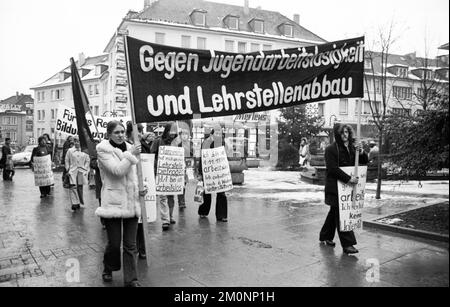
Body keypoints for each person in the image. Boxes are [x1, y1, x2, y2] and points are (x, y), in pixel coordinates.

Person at [95, 120, 144, 287]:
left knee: (130, 245)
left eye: (122, 131)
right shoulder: (103, 150)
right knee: (114, 244)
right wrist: (131, 154)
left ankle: (131, 279)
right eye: (116, 132)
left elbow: (135, 174)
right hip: (113, 202)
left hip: (131, 201)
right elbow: (117, 171)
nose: (121, 135)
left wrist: (141, 189)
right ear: (109, 134)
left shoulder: (131, 146)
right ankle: (108, 267)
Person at [319, 123, 368, 254]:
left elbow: (364, 161)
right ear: (337, 134)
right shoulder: (331, 149)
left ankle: (325, 236)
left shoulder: (353, 147)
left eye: (346, 132)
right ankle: (348, 245)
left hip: (347, 188)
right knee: (342, 214)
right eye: (342, 132)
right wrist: (348, 179)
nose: (344, 135)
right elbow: (333, 169)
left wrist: (361, 152)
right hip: (335, 188)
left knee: (333, 214)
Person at [150, 123, 179, 231]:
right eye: (171, 131)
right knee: (162, 197)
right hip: (161, 172)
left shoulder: (177, 142)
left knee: (171, 196)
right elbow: (151, 154)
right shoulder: (158, 141)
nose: (173, 133)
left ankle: (170, 216)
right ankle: (165, 220)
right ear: (166, 131)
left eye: (174, 131)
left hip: (173, 173)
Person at [198, 129, 228, 222]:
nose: (218, 135)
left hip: (219, 171)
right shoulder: (206, 143)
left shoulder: (222, 143)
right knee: (207, 193)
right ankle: (203, 212)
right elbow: (201, 157)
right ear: (211, 134)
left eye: (220, 133)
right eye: (216, 133)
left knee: (221, 193)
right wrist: (200, 172)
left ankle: (221, 215)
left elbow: (225, 156)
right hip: (207, 171)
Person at [65, 138, 90, 211]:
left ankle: (79, 201)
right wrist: (68, 169)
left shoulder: (85, 151)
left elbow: (87, 161)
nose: (77, 143)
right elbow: (67, 160)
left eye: (78, 141)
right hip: (72, 171)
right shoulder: (70, 151)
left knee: (79, 187)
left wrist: (85, 170)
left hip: (81, 171)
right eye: (75, 141)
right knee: (73, 187)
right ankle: (74, 203)